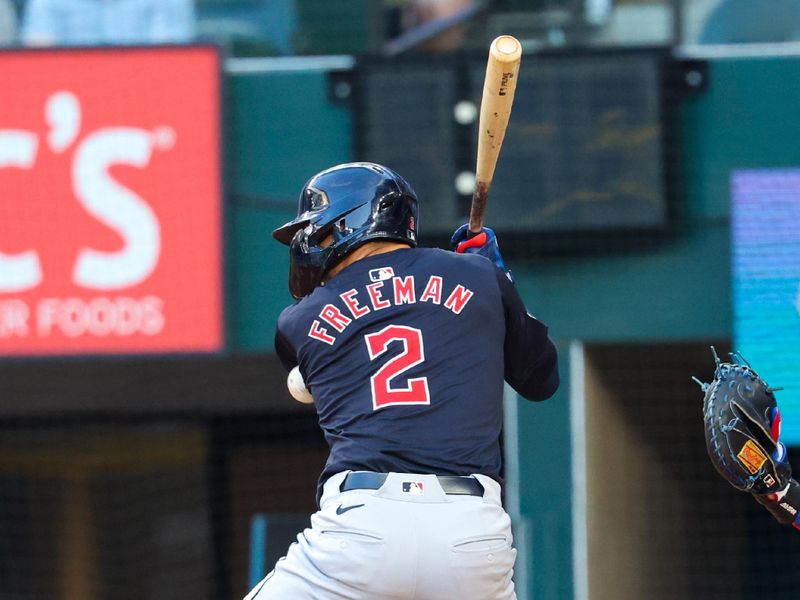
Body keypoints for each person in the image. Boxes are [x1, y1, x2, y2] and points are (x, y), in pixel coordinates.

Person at [245, 162, 559, 600]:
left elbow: (314, 374)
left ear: (350, 222)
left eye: (320, 232)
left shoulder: (298, 320)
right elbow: (541, 379)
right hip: (471, 535)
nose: (311, 243)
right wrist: (501, 285)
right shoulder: (479, 278)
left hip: (361, 530)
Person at [21, 0, 195, 47]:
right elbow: (39, 67)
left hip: (147, 97)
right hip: (71, 95)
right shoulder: (46, 2)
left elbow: (172, 67)